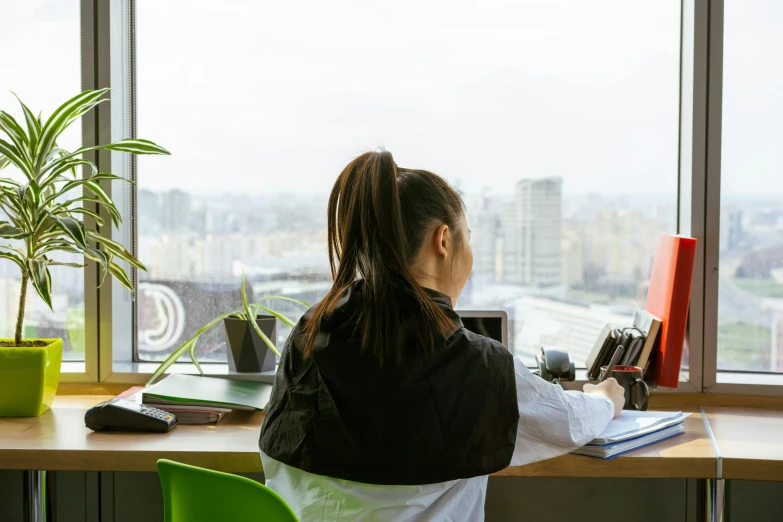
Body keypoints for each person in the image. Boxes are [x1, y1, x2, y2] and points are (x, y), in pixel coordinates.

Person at [259, 151, 625, 521]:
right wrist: (604, 399)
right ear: (444, 240)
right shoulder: (472, 365)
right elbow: (564, 421)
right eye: (467, 237)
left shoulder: (307, 336)